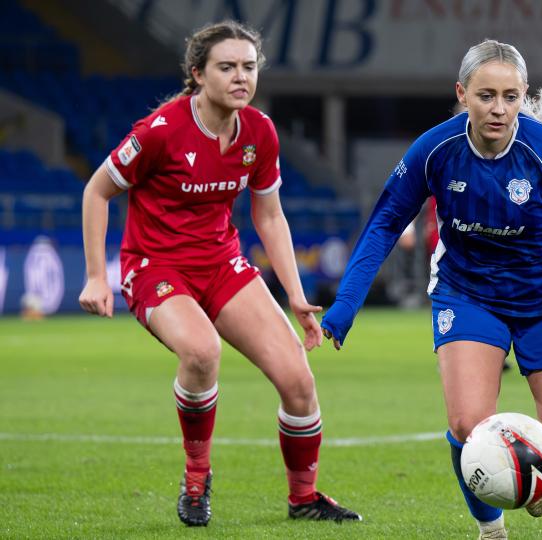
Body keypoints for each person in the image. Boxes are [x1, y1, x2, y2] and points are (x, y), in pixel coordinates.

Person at [320, 39, 542, 539]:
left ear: (523, 95)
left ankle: (523, 462)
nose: (498, 109)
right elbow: (387, 221)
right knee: (467, 425)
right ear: (462, 94)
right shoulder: (436, 149)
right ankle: (492, 530)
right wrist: (346, 303)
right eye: (485, 95)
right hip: (468, 291)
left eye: (509, 96)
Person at [77, 20, 360, 526]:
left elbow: (269, 215)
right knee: (202, 351)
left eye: (248, 67)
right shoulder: (160, 132)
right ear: (198, 74)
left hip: (221, 263)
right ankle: (195, 478)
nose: (240, 77)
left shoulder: (259, 131)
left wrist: (295, 295)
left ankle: (303, 497)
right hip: (155, 267)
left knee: (298, 379)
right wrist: (97, 276)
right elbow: (96, 190)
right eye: (226, 67)